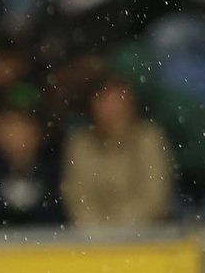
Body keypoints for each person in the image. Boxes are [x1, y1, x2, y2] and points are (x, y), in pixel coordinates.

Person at [61, 77, 172, 228]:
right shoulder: (80, 144)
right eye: (105, 102)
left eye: (117, 102)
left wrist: (121, 228)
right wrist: (96, 230)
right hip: (91, 235)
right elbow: (76, 196)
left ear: (131, 105)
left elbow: (155, 197)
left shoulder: (149, 139)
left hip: (144, 233)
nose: (111, 110)